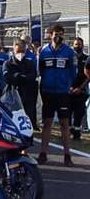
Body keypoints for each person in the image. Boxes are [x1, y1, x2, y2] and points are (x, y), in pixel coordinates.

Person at [38, 24, 75, 167]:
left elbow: (73, 71)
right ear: (50, 34)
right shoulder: (43, 51)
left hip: (63, 93)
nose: (58, 36)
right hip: (48, 92)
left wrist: (69, 86)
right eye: (55, 33)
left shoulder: (69, 52)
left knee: (64, 124)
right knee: (47, 123)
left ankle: (67, 155)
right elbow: (40, 71)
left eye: (61, 34)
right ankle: (43, 153)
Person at [3, 39, 39, 130]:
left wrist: (18, 76)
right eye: (18, 51)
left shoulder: (30, 63)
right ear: (14, 49)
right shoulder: (8, 63)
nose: (20, 53)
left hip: (28, 97)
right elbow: (8, 78)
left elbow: (32, 76)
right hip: (13, 97)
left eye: (22, 51)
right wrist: (22, 76)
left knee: (28, 121)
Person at [68, 38, 88, 140]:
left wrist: (80, 88)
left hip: (81, 91)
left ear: (83, 45)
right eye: (76, 44)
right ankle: (69, 130)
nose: (77, 46)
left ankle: (76, 132)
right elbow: (65, 74)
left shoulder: (87, 58)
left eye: (79, 44)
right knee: (67, 112)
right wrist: (69, 87)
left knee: (79, 113)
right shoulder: (69, 58)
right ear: (73, 45)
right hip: (68, 90)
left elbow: (89, 76)